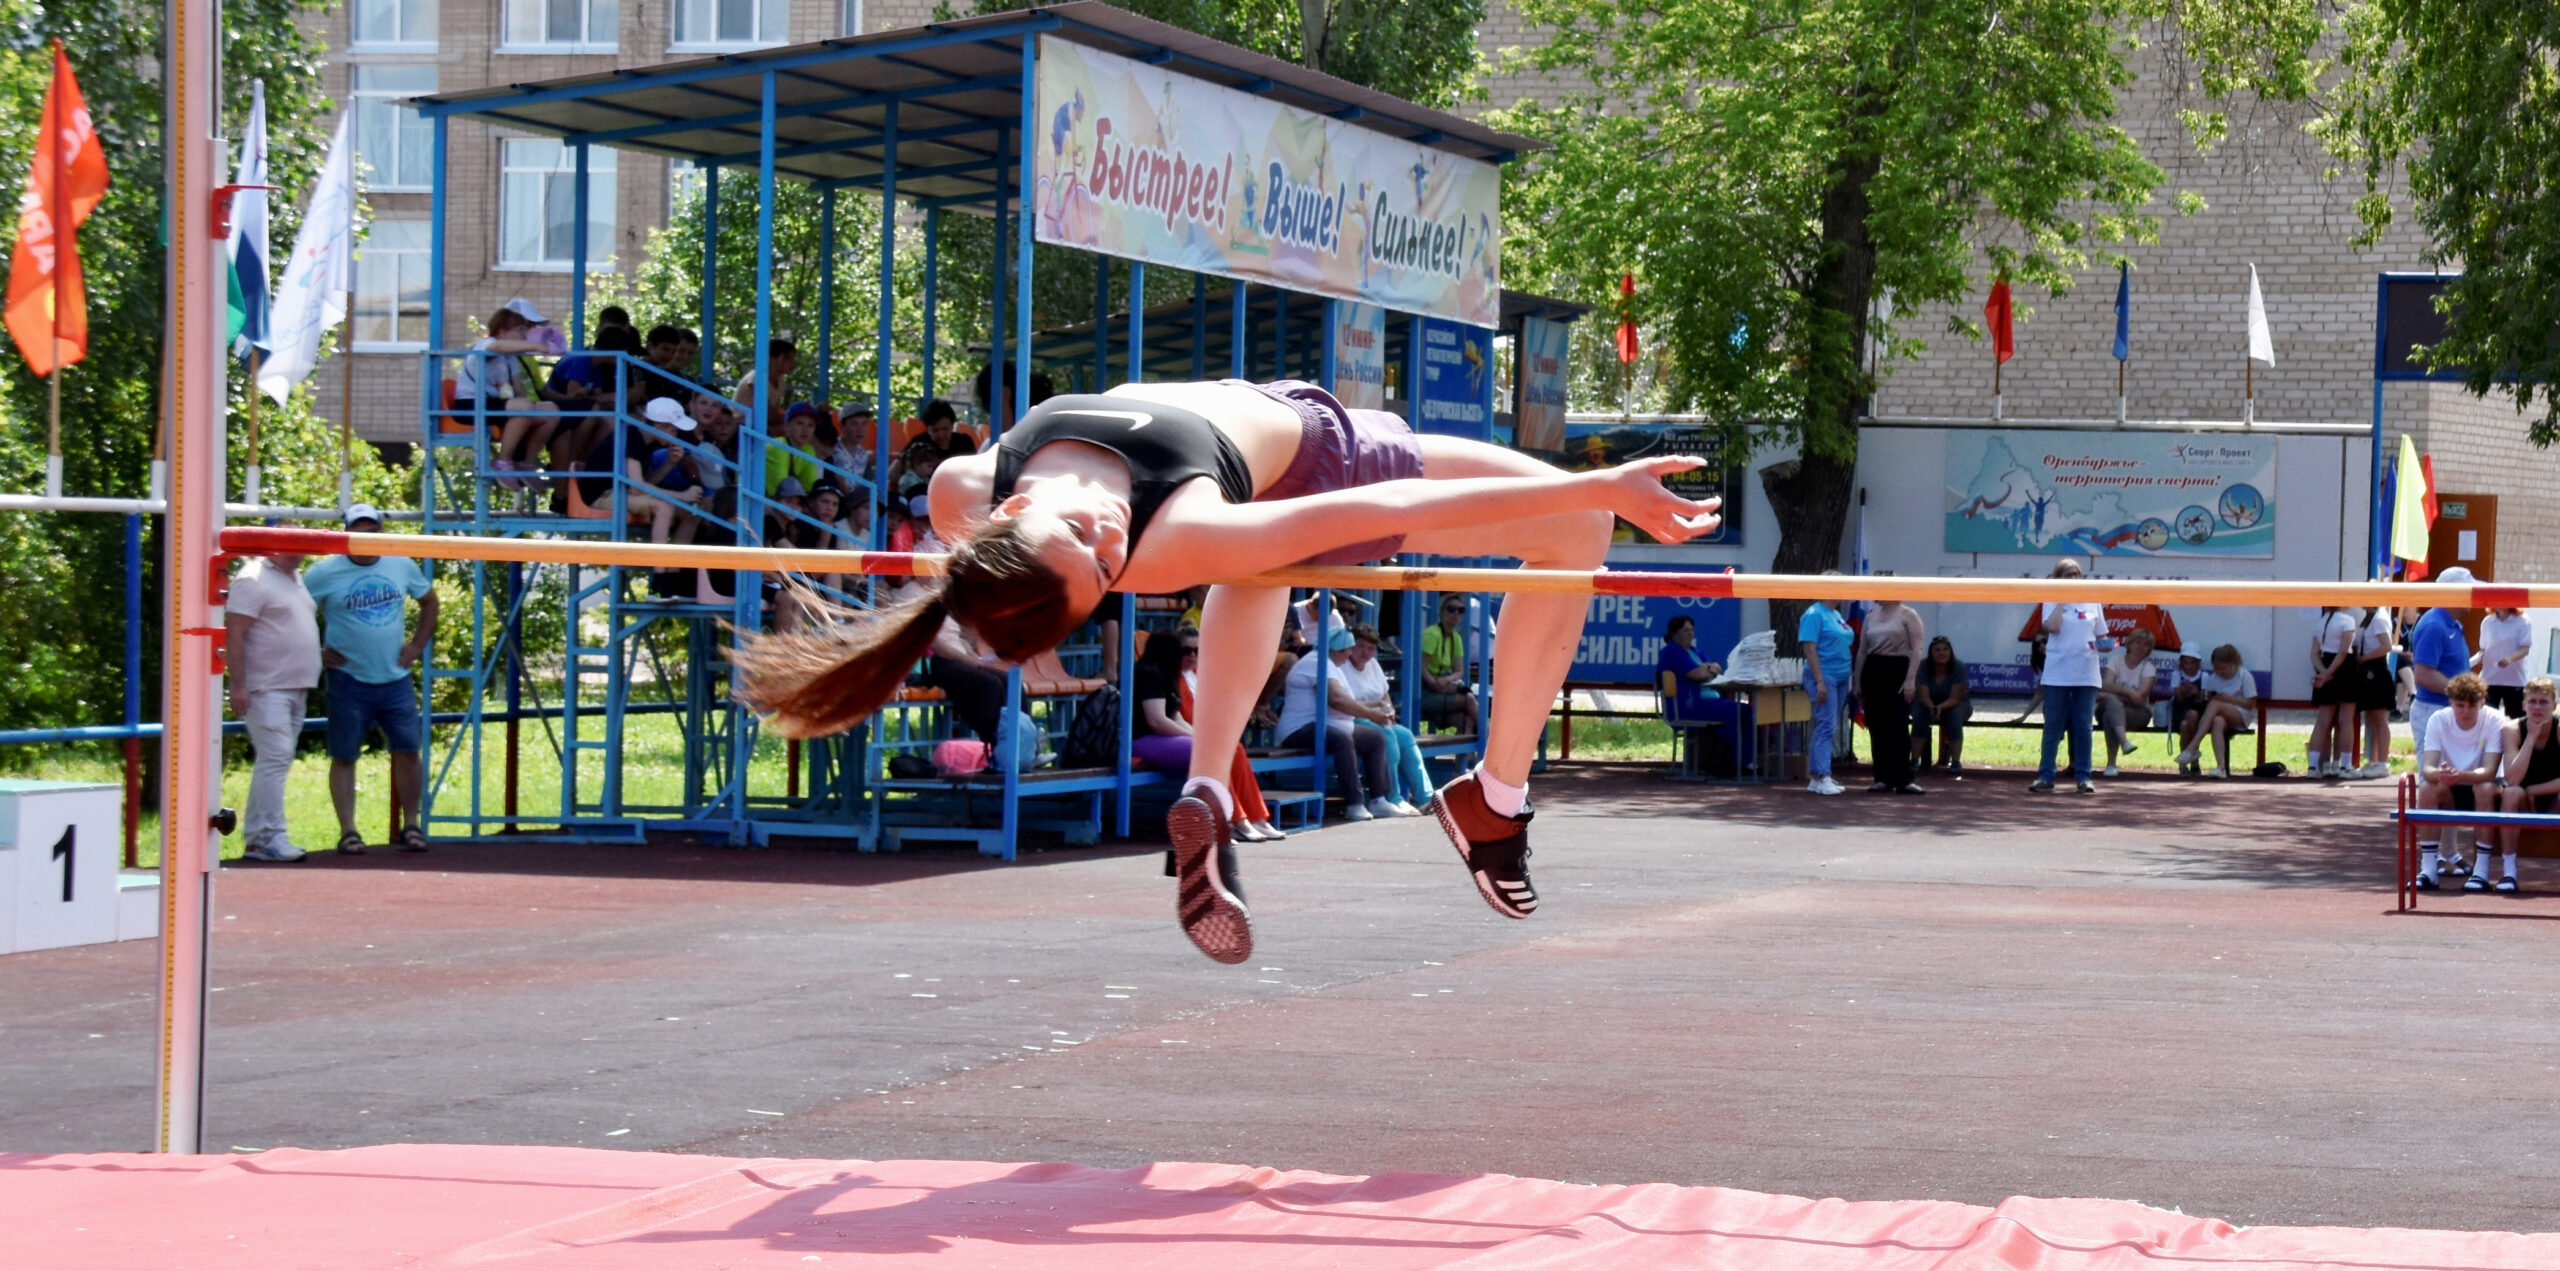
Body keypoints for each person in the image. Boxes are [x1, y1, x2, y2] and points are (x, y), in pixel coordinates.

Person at [731, 378, 1718, 965]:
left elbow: (975, 565)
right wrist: (1600, 485)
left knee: (1257, 565)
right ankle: (1495, 795)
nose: (1107, 532)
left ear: (1001, 517)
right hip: (1330, 458)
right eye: (1105, 564)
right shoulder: (1172, 530)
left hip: (1265, 457)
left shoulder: (960, 487)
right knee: (1576, 530)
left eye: (1082, 532)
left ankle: (1207, 780)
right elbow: (1326, 521)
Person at [301, 504, 439, 854]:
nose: (367, 538)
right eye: (358, 531)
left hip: (395, 678)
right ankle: (348, 831)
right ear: (347, 533)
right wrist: (316, 649)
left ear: (381, 532)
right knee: (345, 755)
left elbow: (429, 601)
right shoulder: (324, 572)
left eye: (372, 531)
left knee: (408, 750)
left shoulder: (401, 563)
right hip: (348, 679)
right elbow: (293, 609)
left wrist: (418, 645)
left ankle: (411, 824)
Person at [225, 544, 319, 863]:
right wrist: (238, 684)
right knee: (276, 757)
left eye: (300, 546)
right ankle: (268, 836)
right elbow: (234, 633)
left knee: (276, 759)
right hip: (266, 687)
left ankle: (258, 838)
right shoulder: (253, 578)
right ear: (270, 546)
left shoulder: (296, 578)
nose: (297, 553)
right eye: (288, 546)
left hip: (296, 686)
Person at [1276, 627, 1401, 821]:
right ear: (1335, 649)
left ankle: (1379, 800)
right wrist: (1371, 715)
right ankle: (1354, 803)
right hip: (1299, 729)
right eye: (1346, 649)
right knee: (1341, 739)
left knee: (1375, 737)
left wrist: (1376, 707)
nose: (1349, 654)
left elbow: (1346, 701)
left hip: (1327, 727)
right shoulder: (1315, 662)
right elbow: (1336, 699)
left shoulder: (1333, 666)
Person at [454, 305, 560, 489]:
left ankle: (525, 463)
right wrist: (538, 346)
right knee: (524, 407)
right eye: (520, 331)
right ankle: (503, 462)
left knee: (551, 410)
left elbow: (519, 389)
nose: (525, 336)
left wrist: (535, 410)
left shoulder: (511, 359)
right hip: (470, 404)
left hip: (497, 404)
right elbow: (498, 346)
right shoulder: (485, 345)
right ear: (503, 331)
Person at [2415, 672, 2503, 890]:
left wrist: (2461, 775)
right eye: (2459, 705)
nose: (2465, 711)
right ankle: (2428, 870)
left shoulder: (2494, 720)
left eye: (2471, 706)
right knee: (2427, 788)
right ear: (2450, 703)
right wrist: (2441, 775)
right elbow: (2428, 768)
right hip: (2451, 788)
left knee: (2484, 788)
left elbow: (2491, 771)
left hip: (2481, 788)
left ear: (2482, 703)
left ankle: (2480, 872)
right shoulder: (2438, 719)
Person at [2030, 559, 2103, 794]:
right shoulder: (2051, 598)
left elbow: (2101, 633)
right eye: (2068, 575)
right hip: (2058, 671)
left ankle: (2083, 777)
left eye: (2077, 574)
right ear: (2058, 578)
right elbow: (2052, 627)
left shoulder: (2093, 600)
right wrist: (2062, 598)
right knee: (2053, 725)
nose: (2073, 578)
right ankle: (2046, 775)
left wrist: (2106, 644)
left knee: (2083, 725)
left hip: (2086, 671)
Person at [1342, 624, 1430, 815]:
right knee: (1385, 734)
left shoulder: (1373, 665)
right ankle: (1394, 798)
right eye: (1360, 646)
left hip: (1379, 718)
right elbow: (1348, 704)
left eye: (1371, 648)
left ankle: (1426, 799)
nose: (1365, 652)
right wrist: (1378, 710)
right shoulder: (1342, 666)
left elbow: (1385, 696)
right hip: (1353, 720)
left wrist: (1389, 714)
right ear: (1350, 646)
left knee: (1405, 735)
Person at [2492, 676, 2560, 895]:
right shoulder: (2512, 729)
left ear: (2555, 705)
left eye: (2544, 702)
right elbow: (2512, 778)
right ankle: (2509, 871)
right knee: (2510, 793)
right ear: (2523, 705)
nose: (2538, 707)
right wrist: (2531, 737)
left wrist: (2536, 790)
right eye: (2533, 702)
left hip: (2553, 800)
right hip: (2521, 801)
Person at [2408, 567, 2477, 768]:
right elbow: (2423, 674)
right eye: (2469, 590)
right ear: (2454, 593)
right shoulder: (2435, 625)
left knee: (2453, 775)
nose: (2473, 596)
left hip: (2448, 708)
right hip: (2435, 710)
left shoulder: (2450, 624)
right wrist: (2465, 694)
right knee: (2436, 776)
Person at [1853, 597, 1924, 794]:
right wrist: (1858, 680)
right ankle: (1882, 778)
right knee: (1876, 725)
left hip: (1898, 667)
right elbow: (1862, 651)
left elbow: (1917, 649)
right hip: (1874, 669)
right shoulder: (1870, 616)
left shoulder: (1908, 614)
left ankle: (1903, 779)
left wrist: (1910, 679)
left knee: (1898, 724)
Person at [1797, 589, 1852, 796]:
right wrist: (1820, 681)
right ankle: (1822, 776)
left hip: (1841, 676)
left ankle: (1817, 776)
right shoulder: (1814, 614)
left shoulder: (1836, 614)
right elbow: (1809, 649)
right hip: (1824, 676)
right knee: (1826, 725)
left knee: (1829, 724)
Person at [2185, 643, 2257, 780]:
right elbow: (2209, 702)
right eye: (2216, 668)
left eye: (2223, 668)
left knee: (2216, 703)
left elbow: (2251, 704)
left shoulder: (2244, 676)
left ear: (2233, 663)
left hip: (2242, 714)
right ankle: (2221, 766)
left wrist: (2230, 700)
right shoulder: (2213, 679)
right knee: (2218, 721)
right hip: (2220, 715)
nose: (2220, 672)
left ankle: (2193, 746)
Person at [2308, 605, 2359, 779]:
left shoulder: (2320, 623)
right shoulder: (2347, 621)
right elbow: (2343, 652)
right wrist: (2329, 673)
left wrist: (2323, 672)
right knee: (2346, 719)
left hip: (2325, 662)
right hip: (2344, 669)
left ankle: (2313, 767)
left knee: (2323, 720)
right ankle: (2345, 766)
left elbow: (2314, 653)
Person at [2096, 629, 2156, 778]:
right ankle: (2124, 742)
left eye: (2145, 645)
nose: (2141, 647)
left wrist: (2115, 693)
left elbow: (2139, 698)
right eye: (2138, 642)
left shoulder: (2148, 668)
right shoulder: (2115, 660)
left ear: (2149, 650)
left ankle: (2111, 764)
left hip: (2137, 712)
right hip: (2108, 706)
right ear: (2129, 644)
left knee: (2109, 714)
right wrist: (2128, 692)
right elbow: (2105, 685)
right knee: (2111, 702)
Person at [1419, 595, 1483, 734]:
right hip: (1423, 692)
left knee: (1468, 722)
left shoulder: (1456, 638)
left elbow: (1459, 671)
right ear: (1442, 612)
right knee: (1469, 699)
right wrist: (1434, 684)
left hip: (1441, 690)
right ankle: (1490, 737)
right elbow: (1420, 666)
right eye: (1451, 609)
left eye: (1460, 610)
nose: (1456, 613)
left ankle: (1470, 755)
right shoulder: (1432, 634)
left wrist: (1445, 680)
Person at [887, 399, 977, 497]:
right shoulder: (920, 442)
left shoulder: (964, 442)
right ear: (928, 429)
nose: (941, 435)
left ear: (952, 426)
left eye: (945, 429)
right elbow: (892, 473)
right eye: (935, 430)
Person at [2352, 603, 2398, 779]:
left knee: (2380, 718)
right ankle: (2373, 759)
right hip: (2369, 668)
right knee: (2372, 717)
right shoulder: (2371, 617)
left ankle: (2382, 761)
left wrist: (2364, 658)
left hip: (2376, 669)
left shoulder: (2379, 618)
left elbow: (2386, 646)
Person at [1912, 635, 1971, 773]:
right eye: (1937, 650)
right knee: (1919, 715)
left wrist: (1940, 708)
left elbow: (1955, 698)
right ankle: (1914, 760)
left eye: (1945, 649)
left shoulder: (1958, 667)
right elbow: (1922, 695)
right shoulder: (1923, 666)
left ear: (1951, 652)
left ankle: (1955, 761)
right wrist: (1932, 708)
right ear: (1931, 653)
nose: (1941, 653)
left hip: (1956, 703)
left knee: (1954, 717)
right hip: (1927, 703)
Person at [2477, 603, 2533, 719]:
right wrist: (2472, 660)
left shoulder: (2523, 621)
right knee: (2487, 718)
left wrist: (2510, 659)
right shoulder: (2487, 622)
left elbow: (2525, 649)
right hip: (2490, 679)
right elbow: (2483, 649)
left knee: (2517, 718)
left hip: (2514, 680)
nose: (2499, 604)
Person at [2165, 649, 2208, 773]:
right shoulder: (2176, 675)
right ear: (2181, 663)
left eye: (2192, 663)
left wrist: (2196, 691)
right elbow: (2179, 700)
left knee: (2187, 723)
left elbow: (2202, 700)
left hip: (2198, 710)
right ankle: (2194, 760)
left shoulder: (2204, 676)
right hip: (2181, 710)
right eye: (2186, 663)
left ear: (2198, 663)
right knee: (2185, 721)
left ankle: (2184, 763)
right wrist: (2182, 691)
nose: (2189, 666)